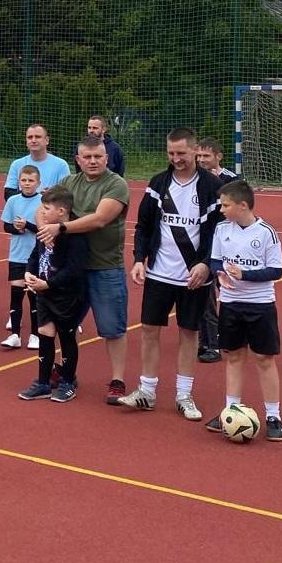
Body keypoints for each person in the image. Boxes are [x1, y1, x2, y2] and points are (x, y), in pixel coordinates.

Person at [119, 127, 223, 420]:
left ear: (195, 151)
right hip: (159, 273)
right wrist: (139, 259)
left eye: (181, 153)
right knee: (149, 329)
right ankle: (147, 391)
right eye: (171, 153)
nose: (176, 158)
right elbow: (144, 226)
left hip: (194, 276)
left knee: (189, 333)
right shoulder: (158, 183)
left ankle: (184, 395)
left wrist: (206, 264)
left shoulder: (211, 187)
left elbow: (219, 231)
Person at [37, 135, 131, 403]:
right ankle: (67, 373)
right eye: (87, 157)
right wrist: (44, 229)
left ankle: (117, 380)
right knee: (65, 324)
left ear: (107, 158)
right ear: (78, 160)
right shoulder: (68, 183)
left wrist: (59, 228)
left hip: (104, 267)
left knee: (112, 327)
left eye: (98, 156)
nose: (92, 161)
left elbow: (100, 219)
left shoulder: (116, 184)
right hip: (70, 268)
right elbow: (43, 208)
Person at [204, 180, 282, 441]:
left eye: (225, 205)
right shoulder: (221, 229)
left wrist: (245, 274)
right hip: (230, 303)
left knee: (264, 359)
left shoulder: (266, 233)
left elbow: (276, 270)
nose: (221, 209)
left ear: (242, 205)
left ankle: (273, 415)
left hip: (260, 305)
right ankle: (231, 410)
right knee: (234, 357)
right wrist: (219, 272)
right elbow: (215, 260)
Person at [17, 186, 87, 402]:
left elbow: (74, 270)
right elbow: (35, 255)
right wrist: (29, 272)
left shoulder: (75, 236)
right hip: (44, 292)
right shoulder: (45, 230)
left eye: (46, 208)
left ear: (62, 211)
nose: (42, 212)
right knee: (45, 333)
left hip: (67, 295)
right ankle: (43, 382)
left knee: (66, 336)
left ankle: (67, 382)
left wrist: (48, 284)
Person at [195, 137, 237, 363]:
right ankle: (209, 342)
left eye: (206, 156)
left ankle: (232, 336)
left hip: (227, 245)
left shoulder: (231, 180)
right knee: (205, 296)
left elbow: (239, 209)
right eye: (199, 156)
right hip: (203, 245)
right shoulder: (194, 178)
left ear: (218, 156)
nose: (201, 160)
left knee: (231, 293)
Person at [0, 165, 41, 350]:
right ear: (19, 182)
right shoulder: (13, 200)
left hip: (36, 256)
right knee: (16, 294)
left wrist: (28, 225)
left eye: (31, 180)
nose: (27, 183)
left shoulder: (43, 202)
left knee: (34, 296)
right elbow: (6, 226)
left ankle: (35, 335)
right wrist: (17, 228)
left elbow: (44, 228)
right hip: (17, 255)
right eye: (24, 180)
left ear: (38, 183)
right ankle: (15, 334)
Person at [4, 123, 71, 199]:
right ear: (26, 141)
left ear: (47, 140)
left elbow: (67, 195)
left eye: (38, 137)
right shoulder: (16, 164)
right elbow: (8, 194)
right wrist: (32, 194)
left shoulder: (61, 165)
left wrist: (52, 194)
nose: (33, 140)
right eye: (30, 137)